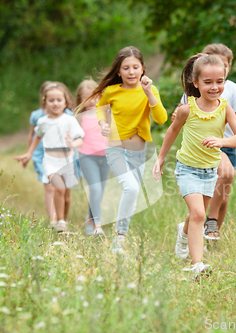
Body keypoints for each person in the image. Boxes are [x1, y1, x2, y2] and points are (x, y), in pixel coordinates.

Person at [153, 53, 236, 276]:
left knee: (197, 214)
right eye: (208, 82)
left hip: (210, 170)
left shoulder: (225, 109)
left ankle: (183, 233)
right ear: (195, 83)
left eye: (219, 81)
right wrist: (161, 157)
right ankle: (197, 265)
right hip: (187, 169)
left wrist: (221, 141)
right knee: (198, 214)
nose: (214, 87)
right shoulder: (187, 109)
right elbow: (172, 130)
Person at [84, 46, 167, 252]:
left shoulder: (150, 90)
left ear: (143, 69)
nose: (131, 72)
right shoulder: (112, 91)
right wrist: (103, 124)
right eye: (126, 68)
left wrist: (149, 93)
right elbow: (100, 108)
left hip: (138, 151)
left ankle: (121, 236)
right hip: (116, 149)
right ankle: (120, 237)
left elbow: (161, 118)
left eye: (135, 67)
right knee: (131, 188)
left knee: (133, 192)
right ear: (119, 72)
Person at [171, 44, 236, 240]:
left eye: (223, 65)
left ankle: (212, 233)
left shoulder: (232, 89)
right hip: (206, 147)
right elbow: (181, 115)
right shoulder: (198, 88)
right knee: (223, 179)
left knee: (222, 199)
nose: (217, 68)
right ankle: (209, 220)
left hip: (228, 144)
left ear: (228, 67)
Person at [15, 82, 85, 232]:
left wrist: (72, 143)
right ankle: (59, 221)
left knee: (66, 196)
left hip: (67, 159)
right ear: (44, 102)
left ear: (65, 102)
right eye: (51, 100)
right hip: (50, 160)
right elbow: (37, 137)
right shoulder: (42, 122)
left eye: (59, 100)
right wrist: (29, 153)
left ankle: (64, 219)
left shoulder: (69, 120)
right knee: (58, 189)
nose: (55, 103)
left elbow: (80, 139)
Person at [74, 79, 109, 236]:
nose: (89, 102)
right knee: (94, 188)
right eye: (85, 98)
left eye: (93, 97)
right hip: (87, 157)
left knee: (99, 191)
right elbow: (74, 136)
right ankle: (97, 225)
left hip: (105, 157)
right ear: (80, 99)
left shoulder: (105, 114)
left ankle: (89, 218)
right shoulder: (79, 118)